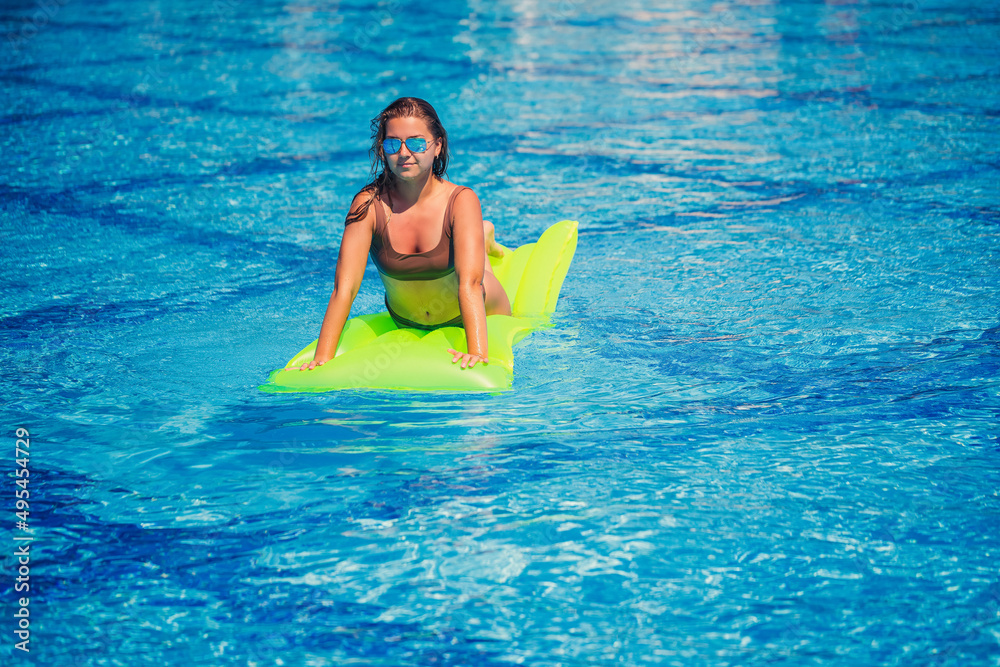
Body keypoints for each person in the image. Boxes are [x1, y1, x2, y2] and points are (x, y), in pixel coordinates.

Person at [299, 97, 511, 373]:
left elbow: (470, 283)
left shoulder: (461, 200)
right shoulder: (368, 206)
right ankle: (478, 236)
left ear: (438, 147)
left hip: (470, 311)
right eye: (392, 143)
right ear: (382, 150)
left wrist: (478, 353)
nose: (404, 152)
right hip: (406, 321)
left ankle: (481, 236)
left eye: (416, 142)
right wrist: (322, 360)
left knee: (479, 269)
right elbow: (344, 288)